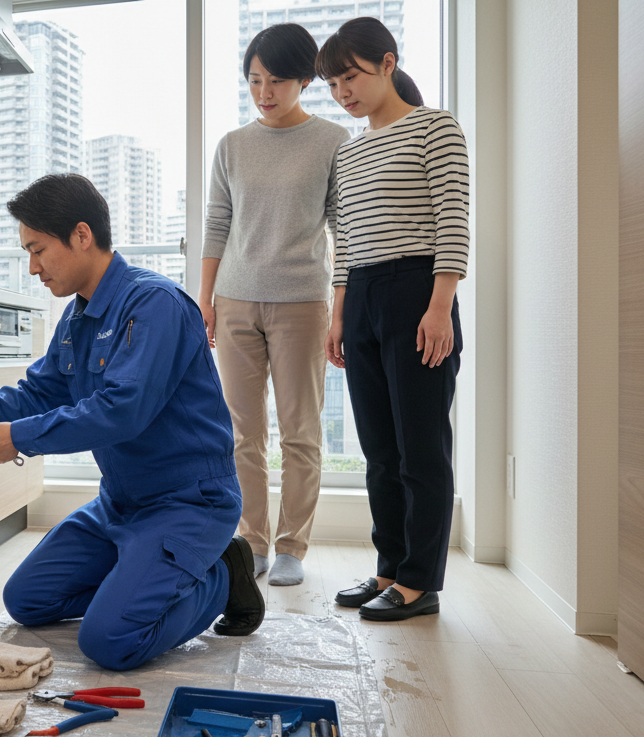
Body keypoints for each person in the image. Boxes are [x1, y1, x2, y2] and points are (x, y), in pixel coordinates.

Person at [0, 174, 265, 670]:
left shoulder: (155, 305)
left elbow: (122, 411)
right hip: (119, 504)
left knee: (111, 642)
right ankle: (143, 574)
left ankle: (222, 575)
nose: (32, 268)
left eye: (38, 250)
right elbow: (39, 391)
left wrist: (20, 438)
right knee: (26, 601)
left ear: (81, 235)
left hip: (188, 502)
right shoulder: (77, 318)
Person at [316, 17, 468, 621]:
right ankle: (387, 569)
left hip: (418, 290)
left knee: (420, 448)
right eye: (332, 83)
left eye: (349, 76)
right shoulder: (349, 153)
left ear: (387, 62)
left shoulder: (436, 128)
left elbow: (452, 222)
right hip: (364, 298)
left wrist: (439, 307)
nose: (341, 92)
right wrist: (338, 317)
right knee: (379, 448)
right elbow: (345, 243)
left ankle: (419, 581)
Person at [200, 23, 351, 588]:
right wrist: (206, 300)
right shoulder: (232, 146)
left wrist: (340, 309)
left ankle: (291, 545)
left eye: (276, 80)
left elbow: (344, 229)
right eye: (254, 80)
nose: (263, 92)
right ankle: (252, 541)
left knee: (300, 430)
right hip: (236, 301)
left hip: (301, 303)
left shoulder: (334, 140)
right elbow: (217, 223)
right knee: (241, 431)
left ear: (306, 80)